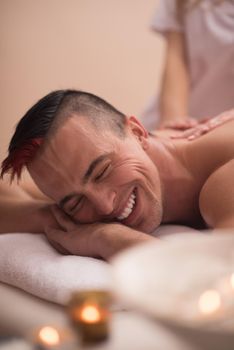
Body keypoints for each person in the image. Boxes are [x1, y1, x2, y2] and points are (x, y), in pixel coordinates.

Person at [1, 90, 234, 260]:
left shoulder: (222, 182)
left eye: (102, 171)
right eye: (74, 202)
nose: (104, 206)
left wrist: (107, 239)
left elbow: (216, 283)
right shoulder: (151, 150)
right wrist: (54, 220)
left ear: (137, 132)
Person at [142, 0, 234, 130]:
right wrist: (172, 130)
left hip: (223, 133)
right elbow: (178, 61)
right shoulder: (183, 3)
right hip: (174, 121)